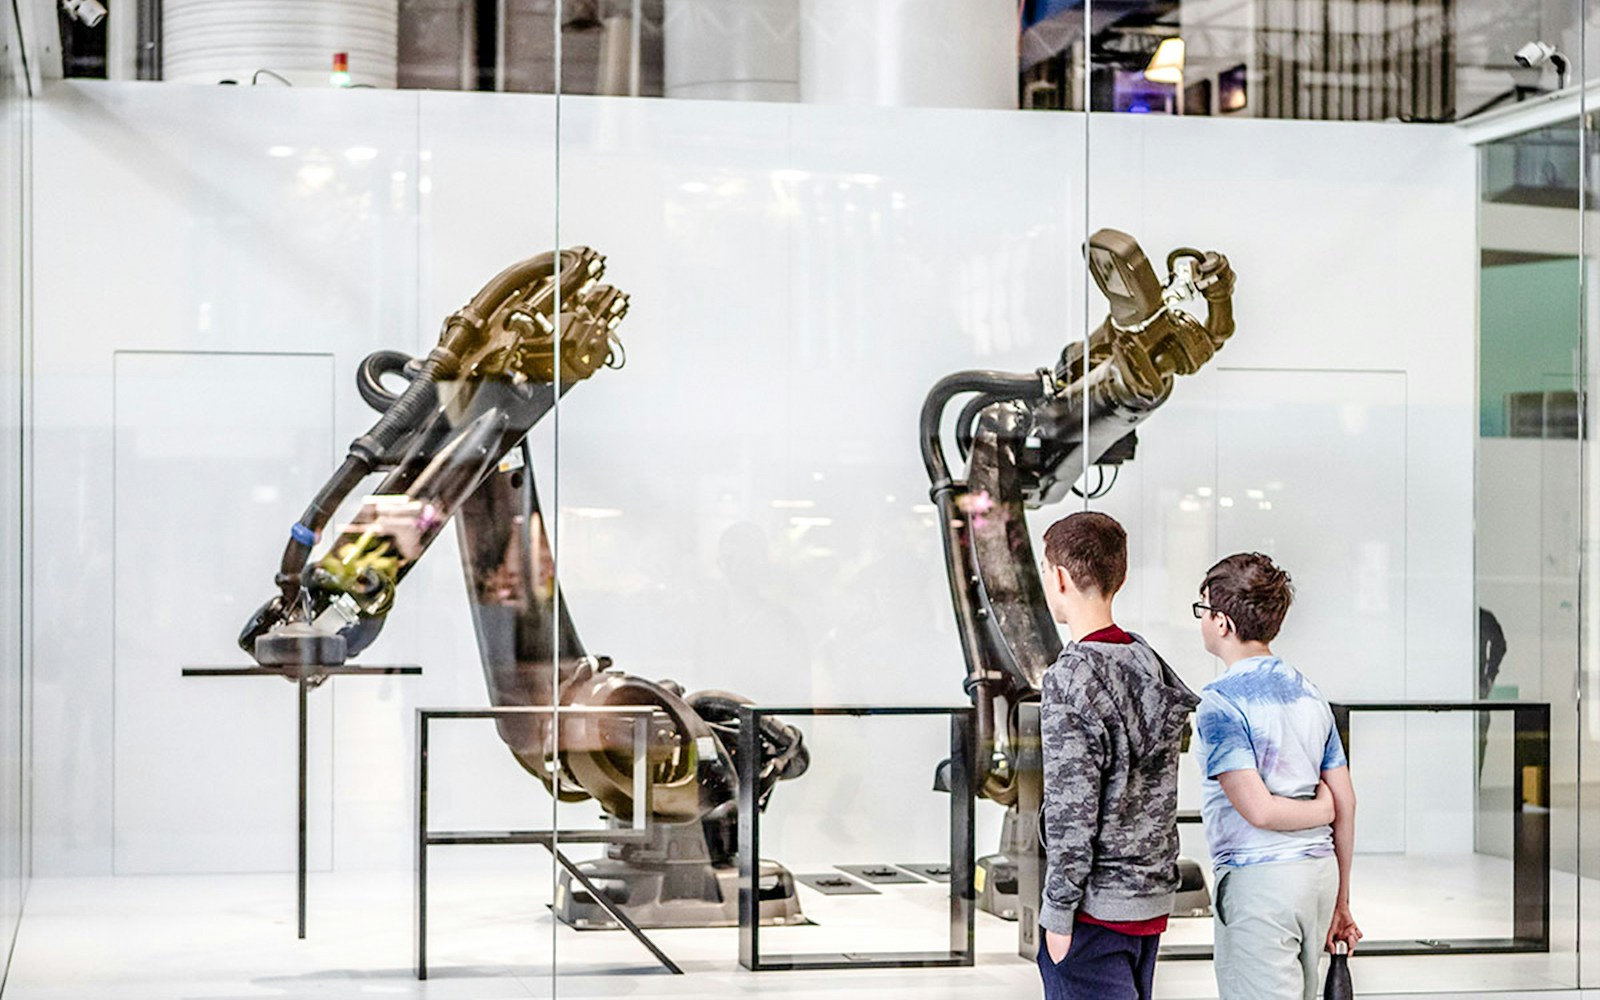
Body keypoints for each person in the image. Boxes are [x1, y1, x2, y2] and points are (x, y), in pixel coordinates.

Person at [1034, 511, 1199, 1000]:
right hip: (1148, 902)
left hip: (1093, 909)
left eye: (1046, 570)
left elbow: (1072, 812)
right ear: (1118, 576)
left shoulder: (1071, 678)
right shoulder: (1147, 663)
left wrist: (1058, 911)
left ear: (1060, 578)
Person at [1192, 553, 1361, 1000]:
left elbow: (1260, 811)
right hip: (1319, 879)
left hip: (1259, 885)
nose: (1203, 621)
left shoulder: (1220, 704)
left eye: (1203, 610)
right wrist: (1342, 901)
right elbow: (1346, 802)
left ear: (1223, 622)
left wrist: (1323, 808)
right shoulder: (1309, 693)